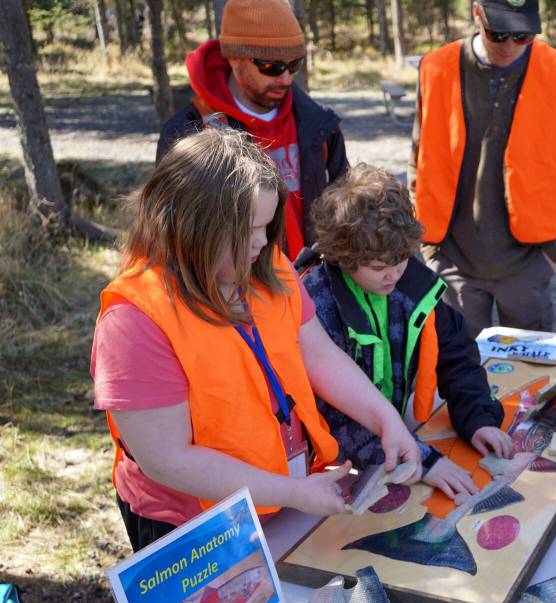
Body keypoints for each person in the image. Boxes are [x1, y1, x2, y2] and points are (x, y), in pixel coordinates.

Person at [91, 129, 420, 552]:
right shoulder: (133, 323)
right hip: (193, 526)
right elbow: (168, 460)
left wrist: (385, 419)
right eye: (249, 229)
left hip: (284, 497)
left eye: (267, 226)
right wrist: (293, 492)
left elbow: (317, 354)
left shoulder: (269, 267)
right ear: (194, 229)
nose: (264, 242)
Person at [298, 164, 514, 500]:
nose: (394, 274)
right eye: (379, 268)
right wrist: (423, 461)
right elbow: (332, 414)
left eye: (401, 258)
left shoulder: (409, 279)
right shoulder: (317, 305)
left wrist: (478, 417)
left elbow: (456, 354)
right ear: (343, 256)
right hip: (331, 469)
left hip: (395, 442)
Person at [409, 0, 556, 339]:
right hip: (453, 261)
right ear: (477, 13)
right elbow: (419, 160)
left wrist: (550, 254)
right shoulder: (437, 68)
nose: (510, 46)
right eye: (499, 33)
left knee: (530, 384)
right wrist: (430, 250)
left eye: (523, 36)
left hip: (527, 265)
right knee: (456, 376)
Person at [157, 0, 348, 260]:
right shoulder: (189, 133)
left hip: (310, 288)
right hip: (234, 295)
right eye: (272, 67)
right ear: (234, 57)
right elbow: (174, 239)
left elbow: (345, 211)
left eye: (294, 65)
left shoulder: (321, 127)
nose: (286, 79)